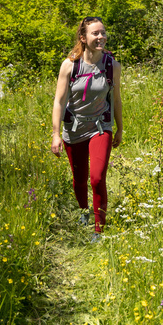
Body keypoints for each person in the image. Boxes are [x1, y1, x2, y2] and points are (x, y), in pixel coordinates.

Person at [51, 16, 122, 237]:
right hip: (74, 129)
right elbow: (59, 101)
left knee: (97, 178)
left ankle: (98, 231)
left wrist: (119, 128)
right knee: (79, 179)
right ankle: (83, 212)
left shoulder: (112, 66)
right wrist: (55, 134)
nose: (101, 37)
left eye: (103, 32)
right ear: (83, 37)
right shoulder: (70, 65)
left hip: (101, 126)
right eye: (95, 33)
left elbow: (117, 99)